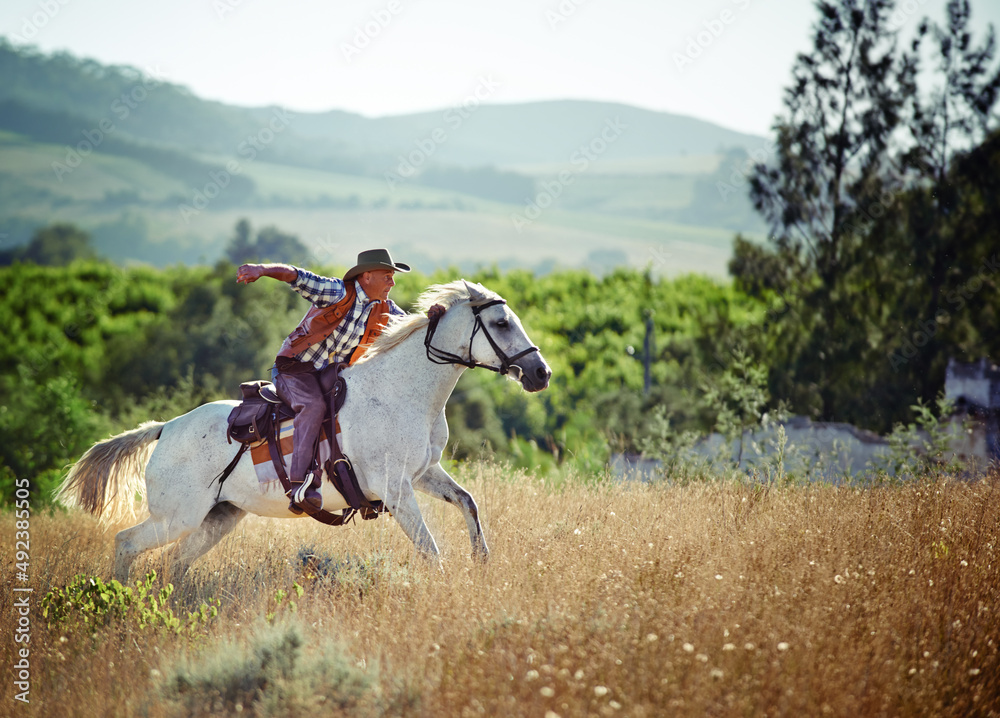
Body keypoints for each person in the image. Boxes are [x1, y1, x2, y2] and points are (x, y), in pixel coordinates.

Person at [237, 248, 438, 514]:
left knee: (364, 406)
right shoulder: (337, 292)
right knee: (312, 407)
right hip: (295, 369)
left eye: (392, 277)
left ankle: (357, 485)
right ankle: (300, 486)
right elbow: (296, 276)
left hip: (333, 373)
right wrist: (261, 270)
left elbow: (411, 329)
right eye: (387, 276)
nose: (392, 282)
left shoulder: (384, 308)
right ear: (367, 276)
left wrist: (433, 316)